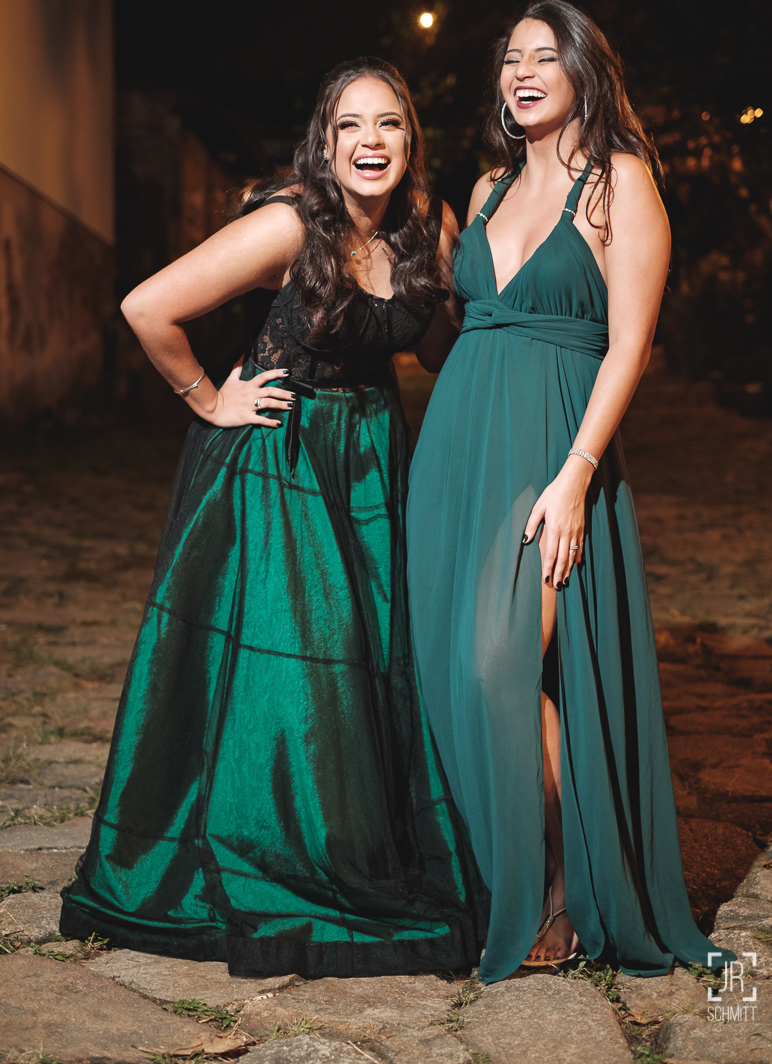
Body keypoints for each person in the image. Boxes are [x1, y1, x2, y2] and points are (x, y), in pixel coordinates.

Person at [61, 57, 489, 978]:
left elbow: (438, 349)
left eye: (388, 123)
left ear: (410, 139)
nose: (370, 141)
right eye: (350, 126)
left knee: (374, 655)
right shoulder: (290, 224)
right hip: (280, 458)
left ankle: (367, 837)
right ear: (324, 145)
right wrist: (209, 397)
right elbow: (147, 306)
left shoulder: (430, 224)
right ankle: (281, 846)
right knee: (302, 666)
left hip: (374, 459)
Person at [406, 0, 736, 983]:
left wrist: (578, 473)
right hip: (455, 447)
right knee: (454, 672)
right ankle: (517, 864)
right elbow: (451, 334)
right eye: (510, 57)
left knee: (494, 662)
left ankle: (558, 879)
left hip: (551, 448)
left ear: (585, 69)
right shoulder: (487, 186)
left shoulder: (619, 183)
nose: (521, 72)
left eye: (543, 56)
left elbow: (630, 344)